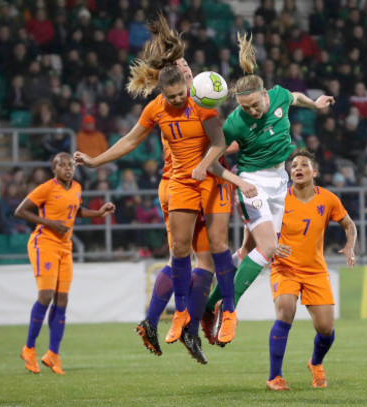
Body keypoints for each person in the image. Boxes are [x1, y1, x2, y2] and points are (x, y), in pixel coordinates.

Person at [74, 14, 257, 361]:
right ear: (166, 81)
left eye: (188, 67)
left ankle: (186, 321)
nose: (188, 70)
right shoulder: (162, 107)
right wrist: (96, 161)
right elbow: (130, 140)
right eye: (182, 66)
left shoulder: (204, 100)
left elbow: (219, 139)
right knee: (188, 254)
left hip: (208, 178)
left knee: (205, 254)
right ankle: (185, 320)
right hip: (178, 183)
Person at [201, 32, 335, 346]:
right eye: (246, 108)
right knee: (269, 249)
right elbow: (212, 162)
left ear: (264, 93)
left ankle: (208, 306)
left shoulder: (278, 96)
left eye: (256, 104)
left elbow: (296, 97)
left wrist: (314, 105)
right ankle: (227, 311)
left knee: (249, 252)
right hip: (253, 183)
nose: (253, 111)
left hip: (279, 183)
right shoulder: (234, 122)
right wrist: (240, 181)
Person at [16, 152, 115, 374]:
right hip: (44, 244)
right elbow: (20, 211)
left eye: (71, 164)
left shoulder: (77, 187)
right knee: (46, 296)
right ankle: (29, 349)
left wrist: (99, 212)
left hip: (65, 247)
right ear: (55, 169)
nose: (68, 168)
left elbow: (76, 210)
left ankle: (53, 354)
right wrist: (50, 223)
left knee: (62, 300)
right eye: (62, 165)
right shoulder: (46, 188)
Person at [266, 151, 357, 391]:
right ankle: (275, 377)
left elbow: (349, 224)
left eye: (303, 165)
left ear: (314, 172)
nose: (297, 168)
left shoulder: (328, 199)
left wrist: (350, 245)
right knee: (285, 310)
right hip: (284, 268)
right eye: (293, 165)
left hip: (315, 271)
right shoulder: (279, 199)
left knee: (326, 329)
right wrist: (271, 245)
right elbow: (259, 228)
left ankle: (315, 363)